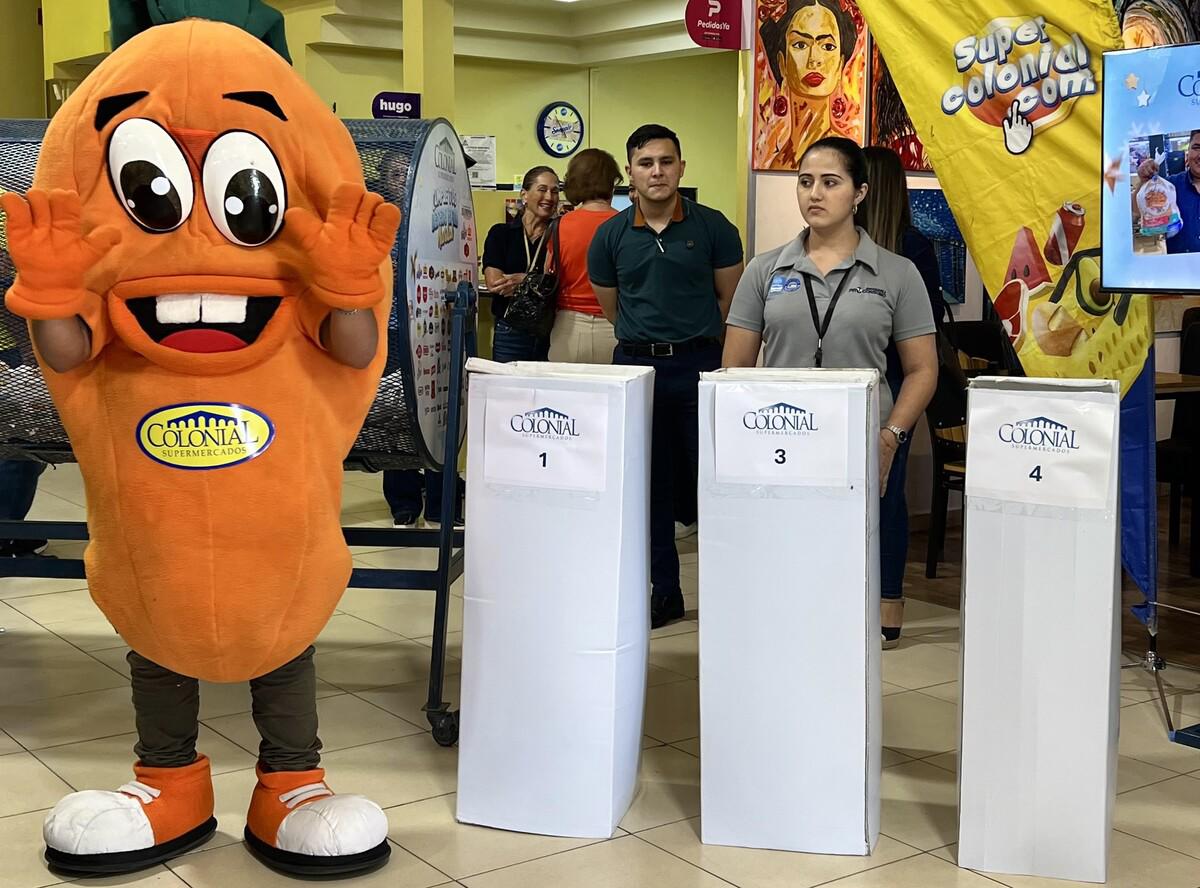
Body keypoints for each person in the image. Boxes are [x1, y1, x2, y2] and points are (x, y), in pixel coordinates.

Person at [723, 137, 937, 647]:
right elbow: (734, 368)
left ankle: (873, 619)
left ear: (859, 192)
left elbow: (922, 369)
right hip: (782, 436)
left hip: (864, 437)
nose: (814, 193)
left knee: (863, 542)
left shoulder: (897, 272)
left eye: (830, 182)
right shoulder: (765, 270)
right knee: (790, 551)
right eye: (805, 182)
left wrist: (890, 436)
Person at [589, 124, 745, 629]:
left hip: (700, 366)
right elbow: (613, 309)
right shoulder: (610, 236)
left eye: (666, 161)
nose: (657, 172)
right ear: (629, 172)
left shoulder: (714, 228)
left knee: (712, 483)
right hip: (638, 370)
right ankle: (666, 591)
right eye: (646, 163)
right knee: (649, 487)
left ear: (681, 167)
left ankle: (727, 592)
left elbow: (730, 302)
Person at [854, 145, 944, 645]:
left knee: (878, 493)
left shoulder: (899, 255)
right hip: (897, 382)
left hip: (890, 383)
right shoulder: (914, 247)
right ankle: (888, 604)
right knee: (889, 496)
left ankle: (872, 600)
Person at [373, 149, 463, 527]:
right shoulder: (377, 222)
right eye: (395, 175)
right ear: (384, 181)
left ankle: (441, 502)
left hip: (434, 331)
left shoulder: (435, 216)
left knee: (439, 416)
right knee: (398, 419)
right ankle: (403, 502)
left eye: (407, 173)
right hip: (392, 331)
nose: (402, 180)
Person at [757, 0, 860, 169]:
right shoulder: (778, 163)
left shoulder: (845, 157)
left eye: (827, 46)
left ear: (840, 63)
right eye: (801, 45)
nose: (814, 59)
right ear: (782, 63)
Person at [547, 149, 622, 364]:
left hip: (568, 328)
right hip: (616, 325)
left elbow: (550, 274)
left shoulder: (559, 226)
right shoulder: (625, 225)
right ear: (611, 182)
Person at [483, 166, 561, 362]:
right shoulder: (501, 234)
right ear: (524, 194)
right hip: (511, 330)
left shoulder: (561, 235)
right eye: (542, 189)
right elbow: (496, 284)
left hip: (551, 332)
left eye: (555, 191)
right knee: (507, 381)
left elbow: (563, 284)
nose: (549, 197)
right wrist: (541, 283)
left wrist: (525, 280)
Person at [1135, 130, 1200, 254]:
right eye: (1196, 148)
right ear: (1188, 153)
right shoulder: (1169, 186)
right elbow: (1136, 211)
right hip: (1179, 263)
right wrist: (1143, 182)